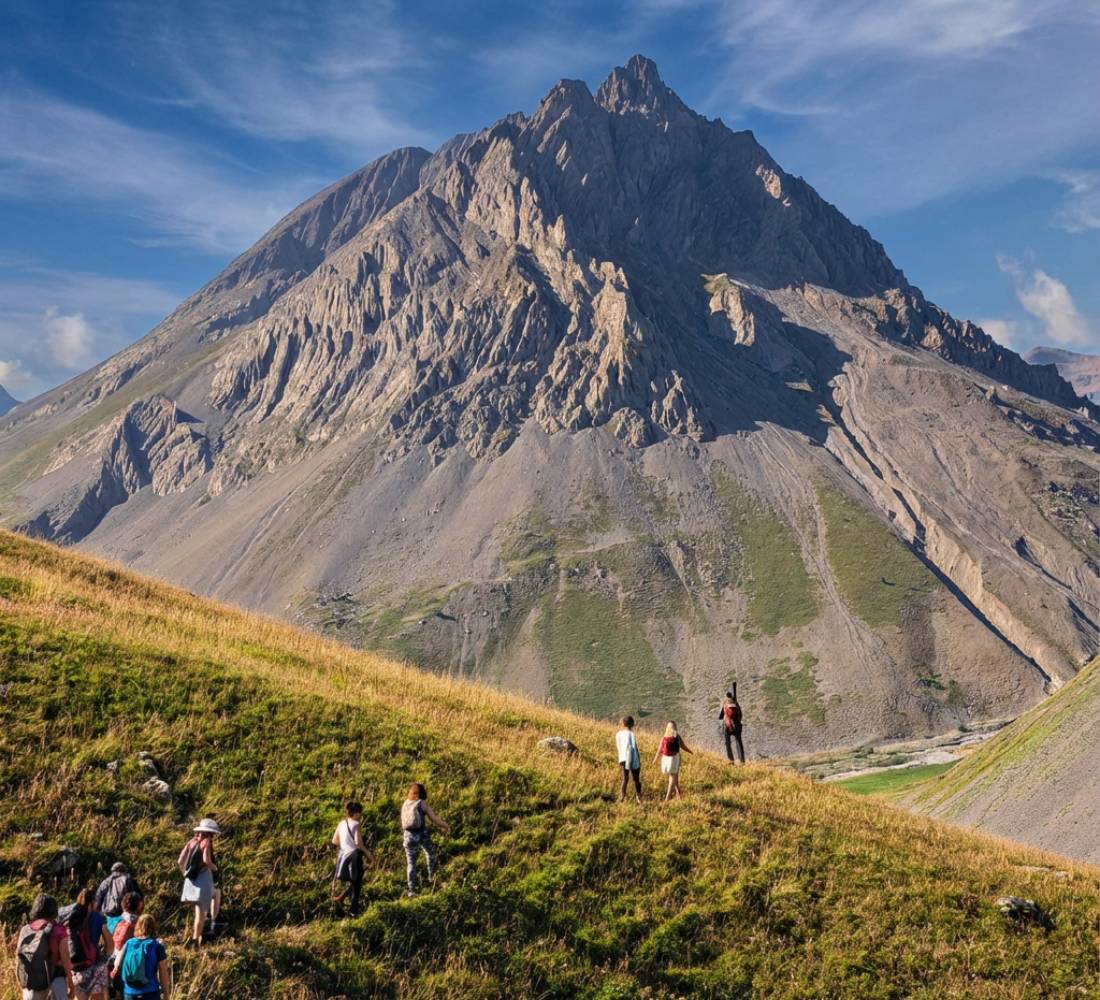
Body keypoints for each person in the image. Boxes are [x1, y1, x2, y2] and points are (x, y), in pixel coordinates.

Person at [15, 892, 73, 1000]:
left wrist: (22, 984)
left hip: (31, 986)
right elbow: (66, 963)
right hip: (55, 985)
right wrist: (71, 985)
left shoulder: (26, 930)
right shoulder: (59, 930)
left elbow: (18, 959)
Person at [177, 818, 222, 947]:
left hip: (190, 881)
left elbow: (180, 861)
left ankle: (201, 932)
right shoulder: (206, 841)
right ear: (210, 833)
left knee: (207, 903)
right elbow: (206, 860)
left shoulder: (191, 842)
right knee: (201, 913)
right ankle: (197, 938)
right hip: (204, 881)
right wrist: (215, 868)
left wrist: (186, 874)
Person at [63, 888, 114, 1000]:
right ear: (93, 902)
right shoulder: (99, 918)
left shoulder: (70, 916)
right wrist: (103, 957)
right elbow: (110, 946)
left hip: (74, 968)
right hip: (93, 967)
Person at [401, 783, 450, 897]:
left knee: (411, 863)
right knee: (430, 853)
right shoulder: (421, 803)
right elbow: (434, 819)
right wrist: (445, 826)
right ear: (420, 794)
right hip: (422, 834)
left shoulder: (405, 803)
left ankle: (411, 890)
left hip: (408, 836)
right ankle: (431, 877)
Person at [113, 915, 170, 1000]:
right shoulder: (157, 946)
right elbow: (163, 973)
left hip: (129, 993)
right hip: (150, 993)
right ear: (154, 928)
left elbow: (117, 965)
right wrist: (166, 995)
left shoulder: (128, 943)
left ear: (137, 927)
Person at [332, 800, 366, 917]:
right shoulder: (356, 824)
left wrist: (345, 844)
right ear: (356, 813)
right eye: (360, 813)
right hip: (355, 858)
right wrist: (370, 856)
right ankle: (353, 911)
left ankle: (341, 899)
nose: (361, 815)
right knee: (357, 884)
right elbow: (358, 844)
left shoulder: (341, 823)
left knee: (354, 882)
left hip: (343, 859)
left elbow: (334, 841)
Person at [108, 893, 143, 989]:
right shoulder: (139, 924)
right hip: (130, 968)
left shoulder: (113, 920)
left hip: (112, 963)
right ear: (139, 905)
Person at [653, 721, 693, 800]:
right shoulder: (677, 737)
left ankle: (679, 793)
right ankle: (667, 798)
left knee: (674, 776)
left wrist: (655, 759)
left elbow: (659, 749)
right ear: (675, 728)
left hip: (665, 759)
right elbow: (683, 746)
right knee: (672, 778)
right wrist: (690, 751)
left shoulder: (664, 737)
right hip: (674, 759)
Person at [615, 716, 642, 802]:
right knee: (636, 779)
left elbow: (618, 746)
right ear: (632, 724)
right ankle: (638, 797)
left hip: (623, 758)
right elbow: (634, 747)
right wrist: (638, 759)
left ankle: (622, 797)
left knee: (625, 778)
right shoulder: (631, 734)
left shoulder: (618, 734)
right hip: (632, 758)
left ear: (623, 723)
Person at [718, 689, 745, 764]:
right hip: (737, 724)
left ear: (726, 695)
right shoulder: (736, 703)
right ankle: (742, 761)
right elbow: (740, 714)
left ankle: (731, 760)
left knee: (727, 742)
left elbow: (720, 716)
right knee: (739, 741)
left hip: (727, 725)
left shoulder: (725, 702)